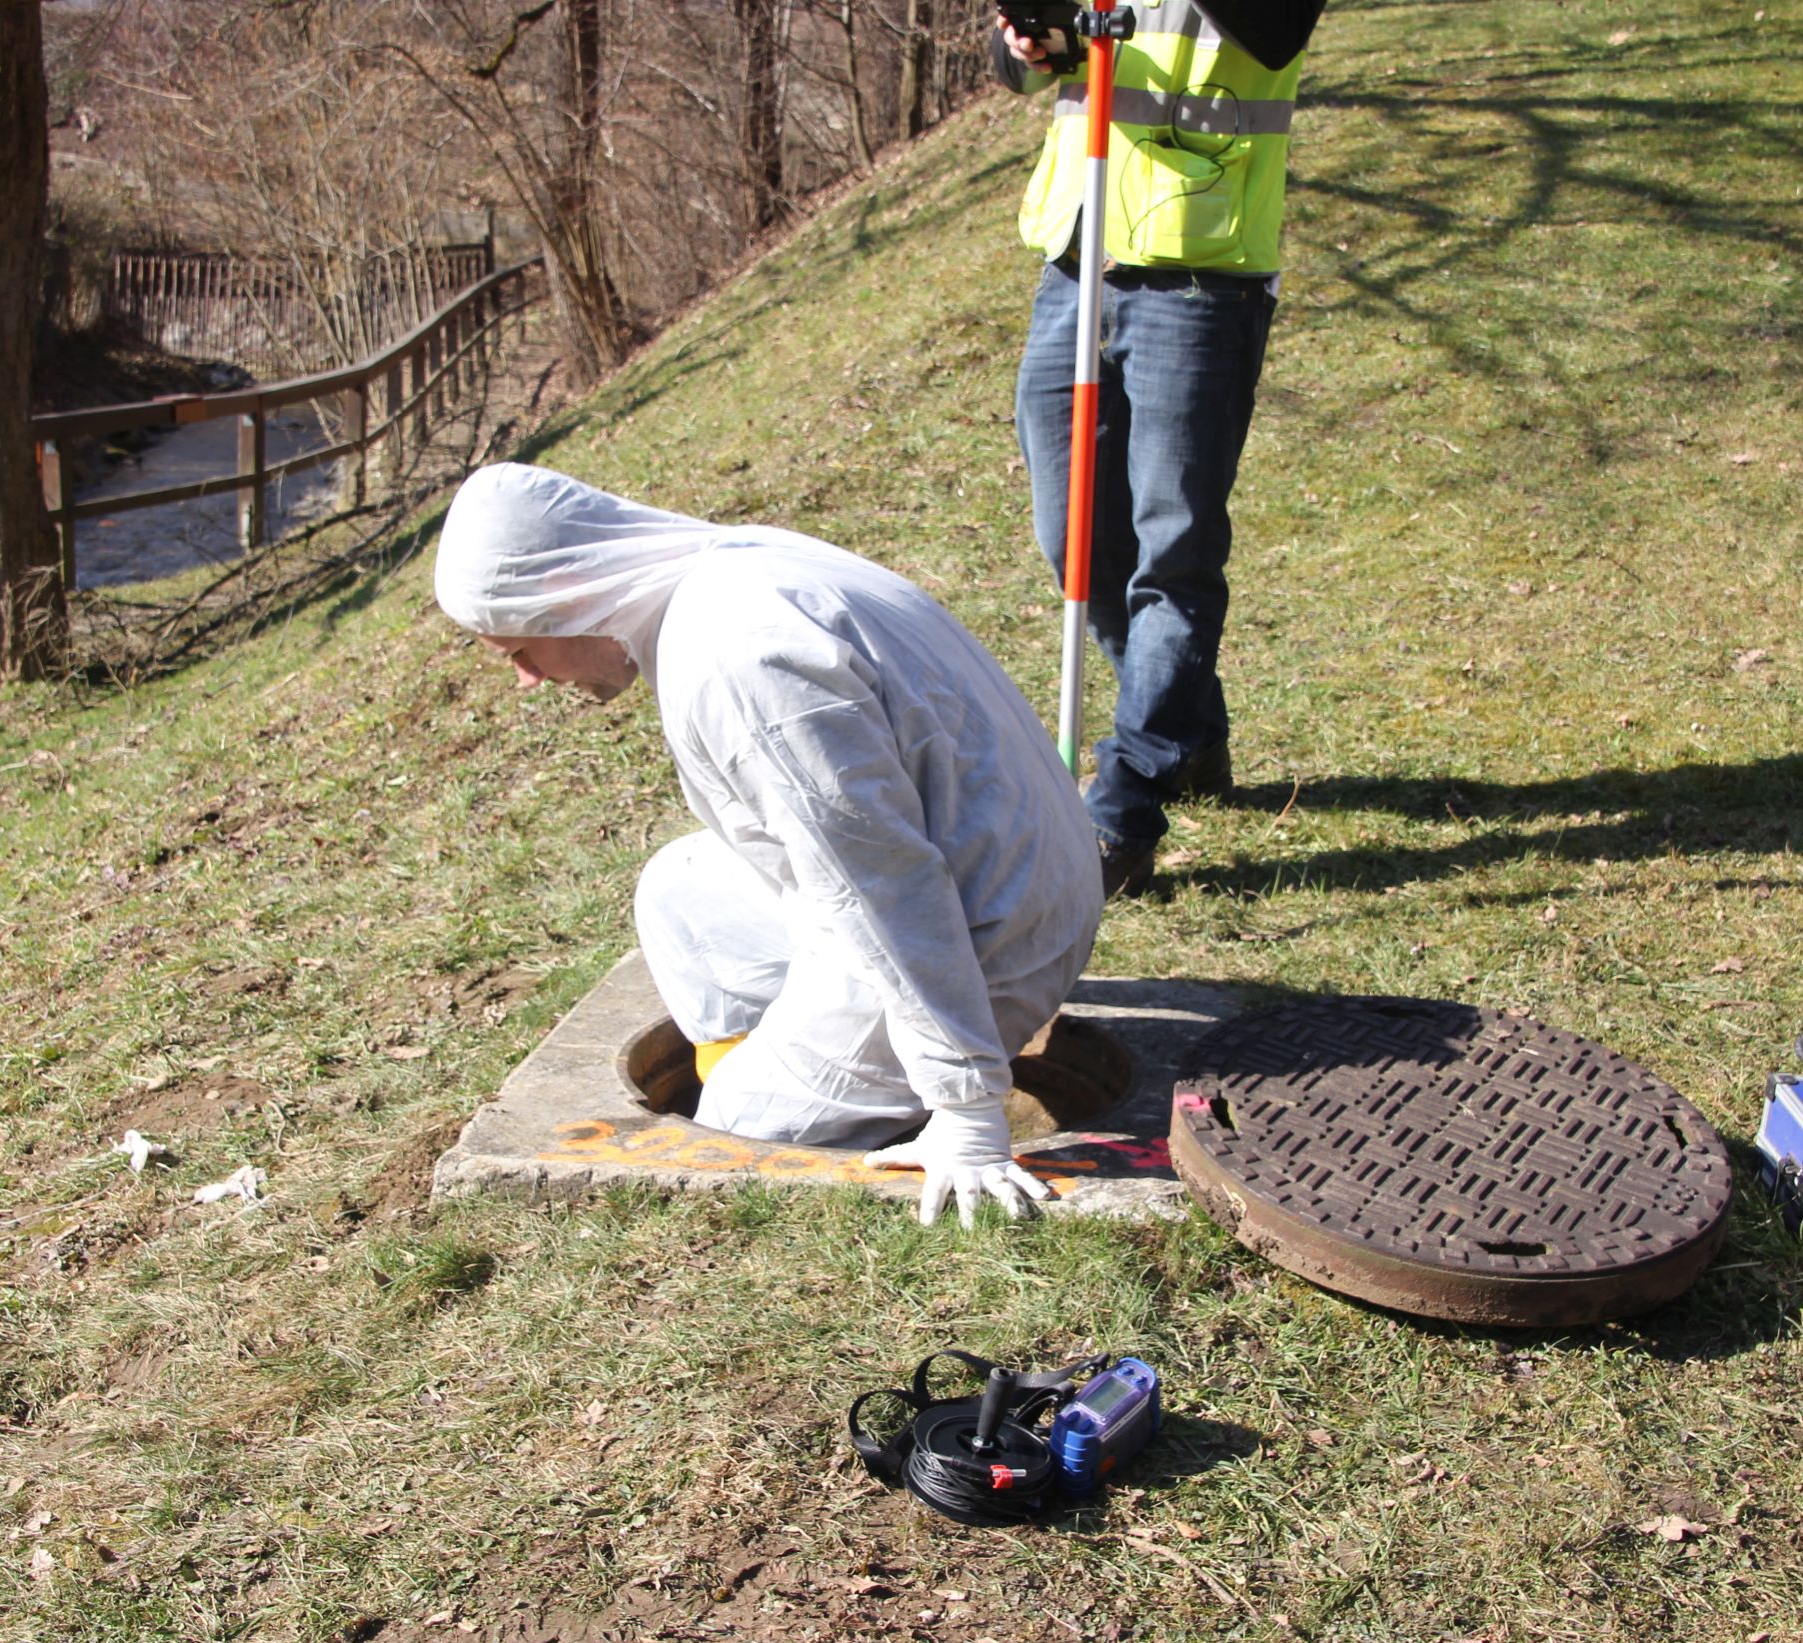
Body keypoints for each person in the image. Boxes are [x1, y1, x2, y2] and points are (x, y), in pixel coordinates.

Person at [433, 464, 1104, 1228]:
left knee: (735, 1131)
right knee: (679, 892)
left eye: (517, 650)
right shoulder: (730, 572)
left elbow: (884, 887)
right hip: (985, 866)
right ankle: (804, 1058)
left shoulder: (739, 659)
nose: (525, 679)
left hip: (991, 933)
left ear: (563, 596)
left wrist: (968, 1106)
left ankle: (851, 1095)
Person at [995, 0, 1325, 896]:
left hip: (1198, 273)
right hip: (1076, 260)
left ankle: (1123, 809)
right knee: (1073, 539)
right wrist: (1036, 42)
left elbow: (1276, 28)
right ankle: (1191, 732)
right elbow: (1025, 71)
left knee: (1172, 554)